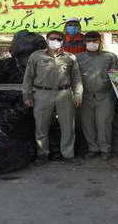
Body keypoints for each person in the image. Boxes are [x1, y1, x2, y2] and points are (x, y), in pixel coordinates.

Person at [22, 31, 83, 163]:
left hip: (64, 94)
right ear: (47, 40)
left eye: (59, 39)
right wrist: (27, 95)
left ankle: (68, 154)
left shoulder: (70, 57)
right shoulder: (36, 56)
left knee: (68, 127)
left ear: (63, 41)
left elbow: (76, 78)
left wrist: (78, 94)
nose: (55, 41)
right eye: (52, 39)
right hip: (42, 94)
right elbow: (28, 77)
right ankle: (42, 154)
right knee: (41, 126)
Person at [76, 31, 118, 161]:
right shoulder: (78, 58)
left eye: (95, 40)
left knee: (104, 123)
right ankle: (92, 148)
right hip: (84, 96)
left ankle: (105, 149)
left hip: (105, 95)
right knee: (87, 124)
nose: (92, 43)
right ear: (84, 42)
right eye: (89, 41)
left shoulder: (110, 57)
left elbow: (117, 76)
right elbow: (73, 77)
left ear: (100, 41)